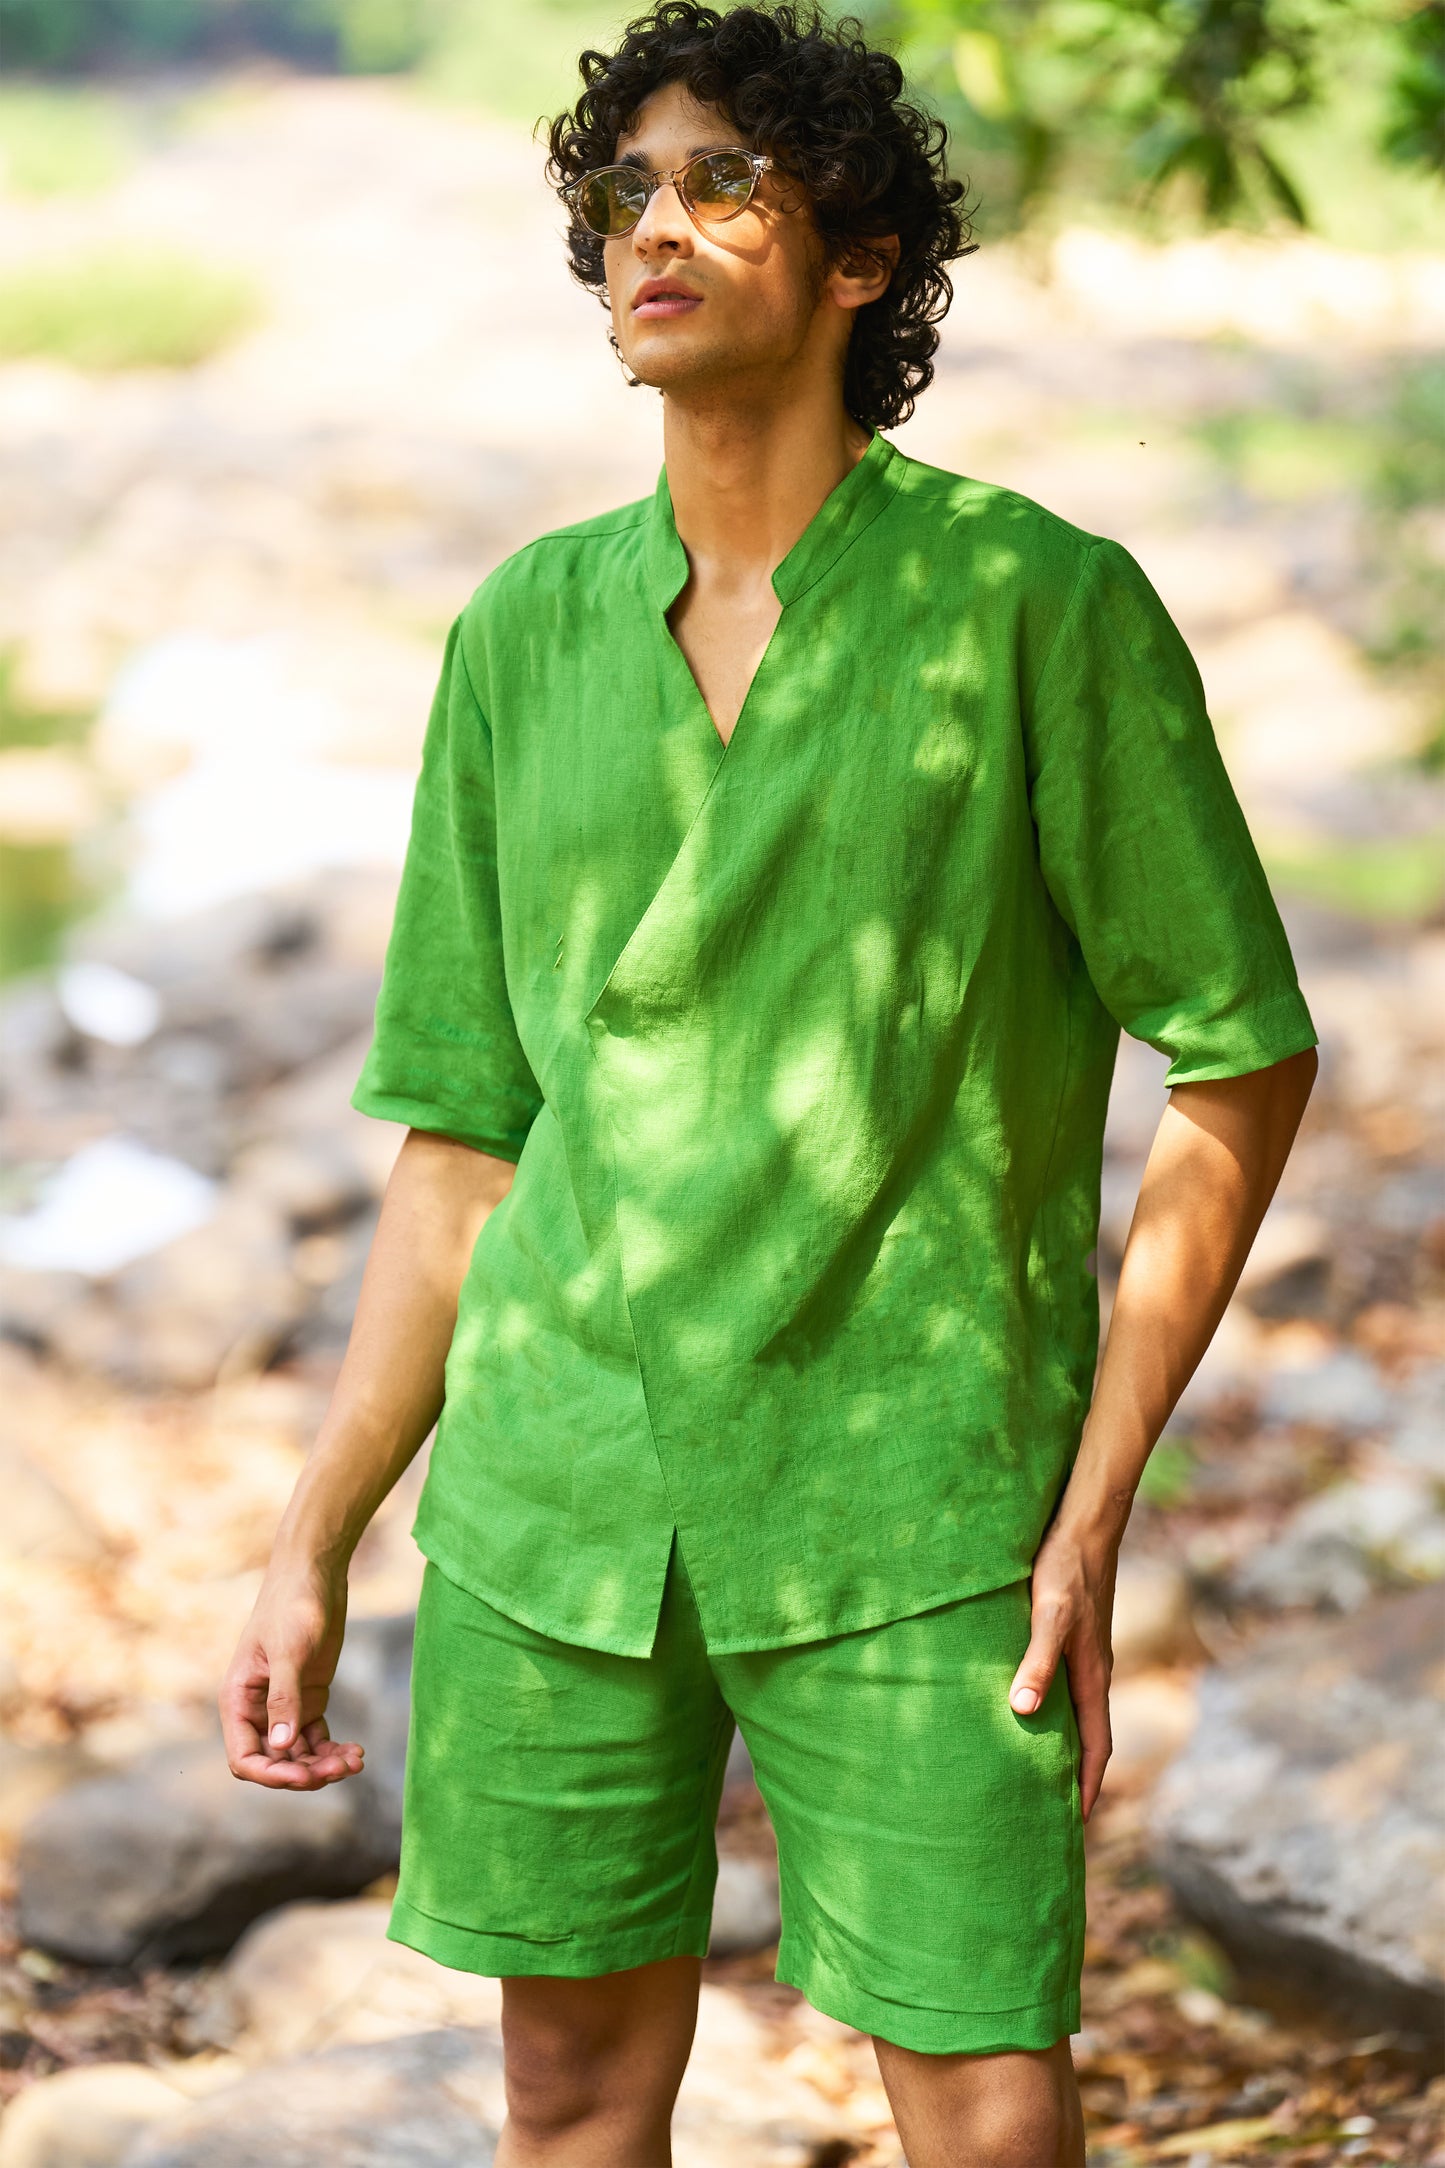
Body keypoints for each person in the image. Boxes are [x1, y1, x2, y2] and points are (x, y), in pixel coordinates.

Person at [220, 5, 1319, 2162]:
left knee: (984, 2096)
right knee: (567, 2092)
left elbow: (1240, 1060)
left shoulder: (1033, 607)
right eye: (625, 190)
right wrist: (311, 1533)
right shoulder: (523, 633)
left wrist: (1092, 1507)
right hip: (558, 1490)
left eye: (725, 181)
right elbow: (460, 1140)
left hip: (915, 1493)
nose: (658, 226)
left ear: (858, 258)